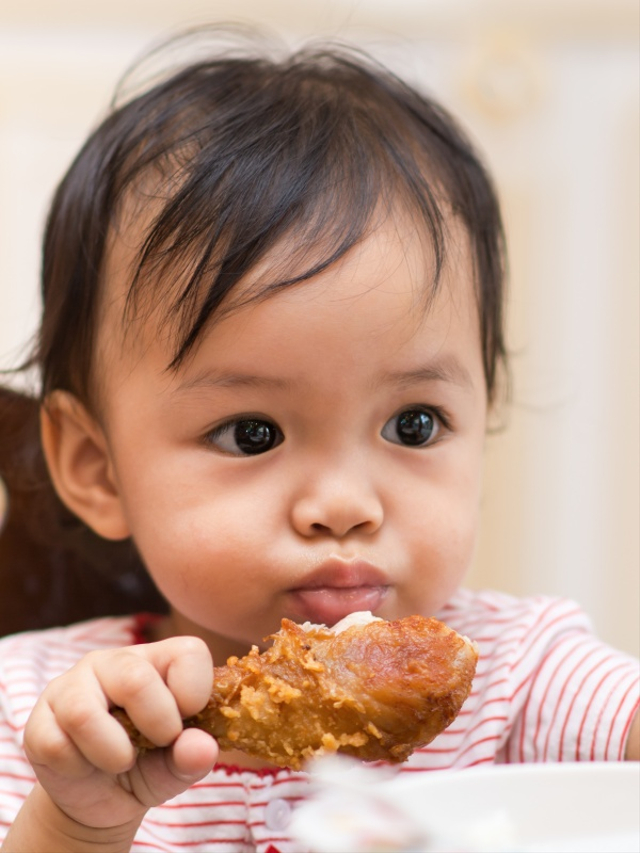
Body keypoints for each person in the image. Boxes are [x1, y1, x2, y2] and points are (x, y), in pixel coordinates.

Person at [0, 31, 638, 853]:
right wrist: (77, 824)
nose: (343, 504)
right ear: (98, 468)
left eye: (414, 424)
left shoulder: (520, 676)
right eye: (252, 432)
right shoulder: (39, 715)